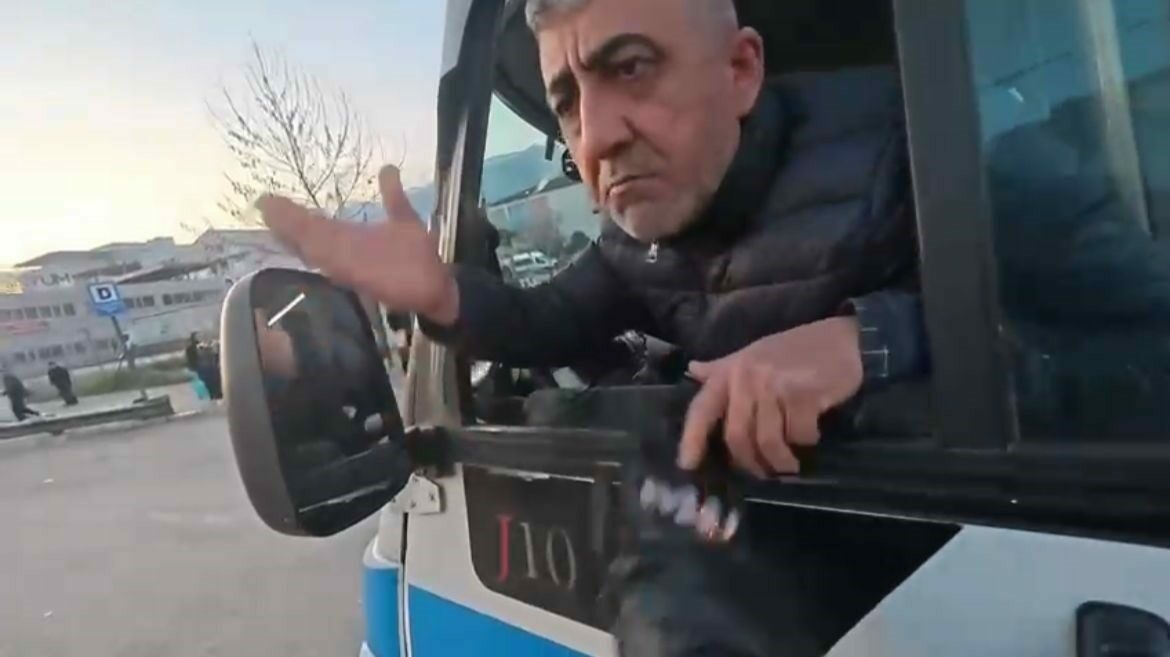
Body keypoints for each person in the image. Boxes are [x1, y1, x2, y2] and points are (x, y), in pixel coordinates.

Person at [257, 0, 928, 480]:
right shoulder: (634, 248)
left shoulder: (910, 145)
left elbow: (993, 310)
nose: (597, 136)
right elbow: (547, 320)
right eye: (568, 103)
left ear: (740, 70)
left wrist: (864, 339)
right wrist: (442, 295)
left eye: (631, 68)